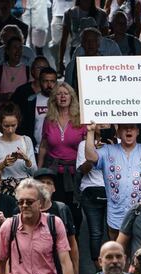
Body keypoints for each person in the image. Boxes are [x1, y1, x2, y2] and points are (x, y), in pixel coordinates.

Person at [37, 82, 86, 223]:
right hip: (54, 172)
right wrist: (39, 170)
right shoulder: (49, 120)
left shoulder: (81, 119)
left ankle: (73, 242)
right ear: (54, 98)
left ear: (72, 97)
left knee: (75, 214)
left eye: (66, 93)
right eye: (59, 94)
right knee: (55, 210)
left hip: (75, 173)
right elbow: (44, 146)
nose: (63, 96)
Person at [11, 61, 55, 146]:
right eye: (46, 81)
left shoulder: (60, 99)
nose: (49, 84)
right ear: (41, 81)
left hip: (55, 150)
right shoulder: (30, 100)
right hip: (32, 147)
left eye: (52, 81)